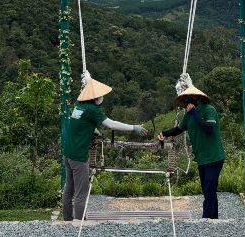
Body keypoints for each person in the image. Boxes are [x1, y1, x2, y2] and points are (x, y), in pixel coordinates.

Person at [62, 77, 148, 221]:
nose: (101, 98)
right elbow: (111, 124)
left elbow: (81, 122)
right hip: (79, 157)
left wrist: (93, 129)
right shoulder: (92, 110)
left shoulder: (79, 105)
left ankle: (67, 221)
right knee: (81, 193)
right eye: (100, 95)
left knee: (69, 189)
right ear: (94, 97)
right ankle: (78, 223)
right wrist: (134, 128)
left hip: (68, 153)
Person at [158, 85, 225, 219]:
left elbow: (209, 129)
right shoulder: (188, 115)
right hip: (201, 157)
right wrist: (163, 133)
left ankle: (206, 219)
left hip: (214, 156)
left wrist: (194, 112)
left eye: (189, 99)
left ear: (197, 99)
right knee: (208, 190)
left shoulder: (208, 110)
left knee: (208, 188)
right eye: (185, 100)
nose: (186, 103)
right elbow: (179, 129)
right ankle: (214, 219)